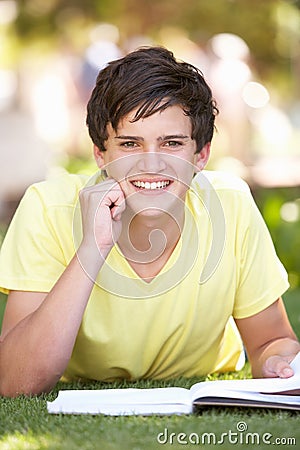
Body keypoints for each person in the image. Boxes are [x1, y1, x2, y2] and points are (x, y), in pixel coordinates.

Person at [0, 46, 299, 397]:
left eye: (171, 143)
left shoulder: (230, 203)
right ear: (100, 153)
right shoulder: (47, 207)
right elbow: (15, 382)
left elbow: (272, 341)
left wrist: (279, 365)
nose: (151, 164)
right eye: (130, 144)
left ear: (200, 154)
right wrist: (92, 250)